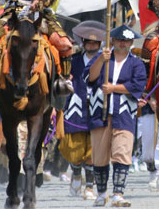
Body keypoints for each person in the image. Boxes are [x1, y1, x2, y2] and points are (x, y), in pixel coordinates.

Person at [86, 24, 147, 207]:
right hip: (100, 112)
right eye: (119, 40)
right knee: (100, 154)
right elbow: (90, 78)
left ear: (131, 42)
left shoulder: (136, 63)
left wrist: (114, 88)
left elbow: (138, 86)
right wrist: (100, 61)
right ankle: (102, 193)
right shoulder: (102, 57)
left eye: (126, 40)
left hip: (124, 113)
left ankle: (118, 193)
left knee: (122, 152)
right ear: (113, 40)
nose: (122, 43)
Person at [59, 21, 106, 200]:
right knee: (74, 148)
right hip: (76, 106)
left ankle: (89, 187)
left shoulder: (104, 61)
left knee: (94, 150)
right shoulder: (73, 61)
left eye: (95, 43)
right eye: (89, 42)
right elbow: (63, 79)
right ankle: (76, 173)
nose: (92, 45)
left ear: (99, 44)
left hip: (97, 105)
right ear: (83, 43)